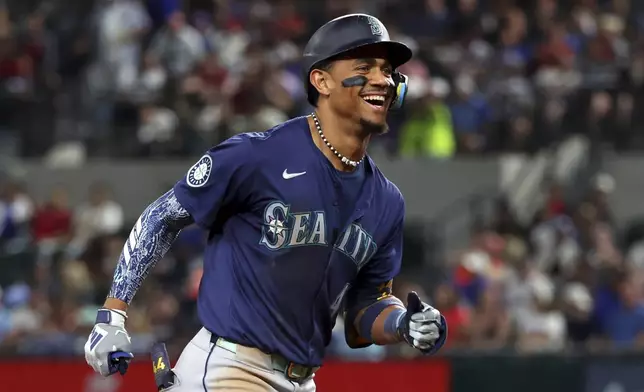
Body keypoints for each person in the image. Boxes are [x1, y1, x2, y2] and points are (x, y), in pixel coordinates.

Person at [84, 14, 448, 392]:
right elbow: (163, 217)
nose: (381, 80)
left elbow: (365, 309)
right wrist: (113, 313)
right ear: (321, 81)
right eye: (363, 67)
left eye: (388, 71)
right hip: (232, 366)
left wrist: (403, 324)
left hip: (303, 380)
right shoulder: (259, 156)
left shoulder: (387, 201)